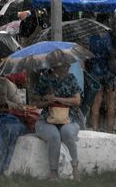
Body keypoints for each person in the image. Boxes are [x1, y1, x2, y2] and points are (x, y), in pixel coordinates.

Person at [33, 52, 82, 180]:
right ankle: (53, 171)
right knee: (54, 136)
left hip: (69, 118)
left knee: (67, 133)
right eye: (65, 65)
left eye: (68, 64)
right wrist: (47, 101)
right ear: (55, 66)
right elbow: (36, 103)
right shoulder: (45, 79)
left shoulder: (71, 78)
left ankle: (75, 167)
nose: (68, 67)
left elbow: (77, 102)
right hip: (47, 119)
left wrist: (58, 99)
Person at [88, 30, 116, 133]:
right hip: (110, 72)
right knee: (111, 102)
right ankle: (110, 131)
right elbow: (114, 53)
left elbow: (89, 55)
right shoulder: (111, 36)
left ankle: (95, 129)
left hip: (96, 72)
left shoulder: (91, 37)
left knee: (96, 102)